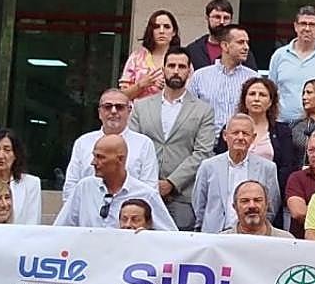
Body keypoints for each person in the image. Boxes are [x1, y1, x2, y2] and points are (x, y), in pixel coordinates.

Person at [129, 46, 217, 230]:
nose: (176, 71)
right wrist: (151, 183)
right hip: (143, 192)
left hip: (182, 195)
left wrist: (171, 183)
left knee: (180, 243)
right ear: (163, 69)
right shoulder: (141, 107)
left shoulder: (203, 110)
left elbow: (202, 153)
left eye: (181, 66)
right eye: (171, 66)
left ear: (189, 71)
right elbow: (133, 147)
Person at [54, 135, 176, 230]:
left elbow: (171, 238)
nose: (93, 162)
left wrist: (145, 237)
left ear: (120, 159)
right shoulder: (84, 187)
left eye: (100, 157)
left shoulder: (146, 194)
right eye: (94, 156)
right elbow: (60, 229)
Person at [61, 89, 158, 198]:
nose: (113, 111)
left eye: (119, 107)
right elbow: (71, 185)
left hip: (129, 207)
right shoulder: (83, 143)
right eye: (107, 107)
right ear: (99, 112)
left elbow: (150, 188)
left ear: (129, 111)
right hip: (88, 206)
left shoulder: (144, 144)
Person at [193, 115, 282, 233]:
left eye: (245, 133)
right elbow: (199, 205)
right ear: (225, 135)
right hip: (214, 234)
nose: (240, 137)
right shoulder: (208, 166)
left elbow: (271, 206)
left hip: (252, 234)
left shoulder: (268, 168)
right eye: (235, 133)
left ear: (253, 137)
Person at [237, 77, 299, 222]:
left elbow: (287, 167)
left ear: (271, 102)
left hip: (269, 199)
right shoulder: (232, 129)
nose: (256, 99)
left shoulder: (283, 131)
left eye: (262, 95)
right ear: (244, 99)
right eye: (252, 94)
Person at [268, 6, 315, 123]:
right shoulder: (279, 55)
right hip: (283, 123)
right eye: (303, 24)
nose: (307, 28)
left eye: (312, 25)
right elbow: (271, 91)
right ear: (295, 26)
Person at [188, 23, 257, 138]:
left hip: (241, 142)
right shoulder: (200, 77)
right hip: (207, 142)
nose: (246, 47)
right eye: (240, 42)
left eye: (247, 42)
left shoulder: (253, 79)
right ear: (225, 46)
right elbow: (189, 112)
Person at [119, 8, 181, 101]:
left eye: (166, 27)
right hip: (139, 109)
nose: (161, 31)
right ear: (151, 31)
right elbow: (122, 97)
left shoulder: (181, 59)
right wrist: (141, 85)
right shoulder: (136, 57)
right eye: (156, 27)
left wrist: (170, 87)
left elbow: (190, 94)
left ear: (174, 32)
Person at [185, 0, 260, 71]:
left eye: (226, 18)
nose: (221, 22)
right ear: (207, 18)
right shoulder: (193, 50)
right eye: (217, 17)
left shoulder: (241, 50)